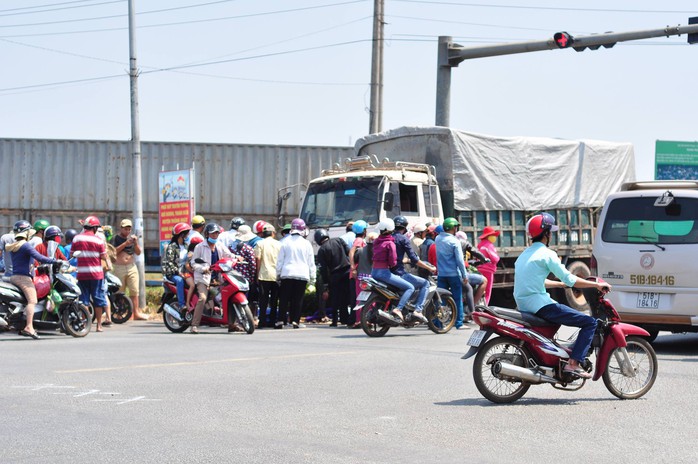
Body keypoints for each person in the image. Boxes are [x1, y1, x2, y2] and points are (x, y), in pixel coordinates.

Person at [514, 213, 610, 379]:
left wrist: (559, 284)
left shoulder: (524, 255)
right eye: (551, 231)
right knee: (589, 322)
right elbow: (571, 279)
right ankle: (573, 364)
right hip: (540, 306)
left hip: (524, 305)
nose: (551, 234)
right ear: (546, 234)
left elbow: (535, 282)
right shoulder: (547, 254)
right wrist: (596, 285)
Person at [7, 228, 60, 339]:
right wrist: (55, 261)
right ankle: (29, 327)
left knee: (25, 301)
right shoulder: (25, 245)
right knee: (32, 301)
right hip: (23, 278)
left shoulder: (15, 246)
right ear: (26, 235)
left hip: (15, 277)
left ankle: (22, 325)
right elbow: (39, 257)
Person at [190, 222, 234, 334]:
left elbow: (229, 255)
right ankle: (194, 325)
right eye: (212, 234)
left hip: (217, 278)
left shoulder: (220, 245)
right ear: (207, 234)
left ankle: (232, 324)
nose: (215, 236)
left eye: (216, 233)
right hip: (203, 278)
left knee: (229, 296)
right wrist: (203, 269)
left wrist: (237, 257)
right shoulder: (200, 247)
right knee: (203, 298)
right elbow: (193, 263)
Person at [392, 215, 435, 323]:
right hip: (400, 272)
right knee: (425, 284)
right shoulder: (404, 239)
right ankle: (418, 310)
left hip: (388, 272)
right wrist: (429, 268)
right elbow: (415, 259)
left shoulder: (388, 238)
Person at [70, 215, 110, 332]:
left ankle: (85, 324)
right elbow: (103, 256)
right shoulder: (98, 240)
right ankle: (99, 325)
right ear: (95, 228)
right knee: (98, 299)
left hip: (82, 274)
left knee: (84, 300)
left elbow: (72, 254)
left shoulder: (77, 238)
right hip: (96, 274)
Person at [370, 219, 415, 321]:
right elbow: (393, 261)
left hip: (373, 272)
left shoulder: (376, 242)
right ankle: (398, 309)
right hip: (384, 273)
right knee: (410, 287)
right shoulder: (390, 243)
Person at [275, 218, 316, 329]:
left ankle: (280, 321)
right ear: (303, 229)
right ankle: (295, 321)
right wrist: (313, 279)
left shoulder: (284, 242)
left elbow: (280, 261)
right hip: (302, 274)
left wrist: (277, 275)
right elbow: (311, 262)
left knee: (284, 298)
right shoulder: (307, 244)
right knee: (298, 299)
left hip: (287, 273)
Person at [435, 217, 469, 330]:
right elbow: (460, 260)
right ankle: (459, 323)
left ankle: (438, 322)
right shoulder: (455, 241)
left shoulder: (438, 239)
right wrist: (464, 275)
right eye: (455, 227)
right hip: (453, 274)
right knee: (457, 298)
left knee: (441, 299)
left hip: (441, 274)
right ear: (453, 228)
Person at [315, 228, 352, 327]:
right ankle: (348, 319)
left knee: (336, 298)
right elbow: (349, 251)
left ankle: (335, 320)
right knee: (348, 296)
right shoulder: (339, 240)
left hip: (335, 275)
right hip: (348, 272)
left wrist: (326, 284)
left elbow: (323, 269)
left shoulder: (321, 250)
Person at [111, 219, 147, 321]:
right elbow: (113, 252)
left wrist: (135, 243)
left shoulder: (131, 240)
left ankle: (135, 313)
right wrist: (125, 244)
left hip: (131, 267)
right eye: (125, 229)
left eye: (129, 229)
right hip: (119, 267)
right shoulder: (115, 239)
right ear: (121, 228)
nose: (127, 231)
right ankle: (120, 313)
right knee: (119, 291)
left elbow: (138, 252)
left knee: (134, 290)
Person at [255, 223, 281, 328]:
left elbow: (258, 259)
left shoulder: (259, 244)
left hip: (264, 275)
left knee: (263, 300)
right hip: (276, 275)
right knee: (274, 300)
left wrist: (256, 275)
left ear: (263, 234)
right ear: (273, 234)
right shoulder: (279, 244)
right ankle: (273, 320)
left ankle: (262, 322)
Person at [162, 222, 192, 308]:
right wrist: (179, 273)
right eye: (186, 234)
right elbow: (170, 262)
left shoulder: (187, 246)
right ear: (181, 235)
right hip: (173, 274)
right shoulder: (172, 247)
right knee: (180, 281)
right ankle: (182, 305)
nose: (188, 236)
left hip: (184, 272)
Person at [455, 231, 489, 305]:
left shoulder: (445, 242)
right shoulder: (464, 243)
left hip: (446, 273)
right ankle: (472, 308)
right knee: (483, 281)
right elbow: (475, 251)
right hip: (459, 273)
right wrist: (484, 259)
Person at [477, 226, 501, 305]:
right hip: (488, 270)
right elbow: (495, 259)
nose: (494, 237)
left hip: (479, 269)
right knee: (487, 291)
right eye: (493, 235)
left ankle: (478, 306)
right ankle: (485, 307)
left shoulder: (480, 245)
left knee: (480, 290)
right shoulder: (489, 245)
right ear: (489, 236)